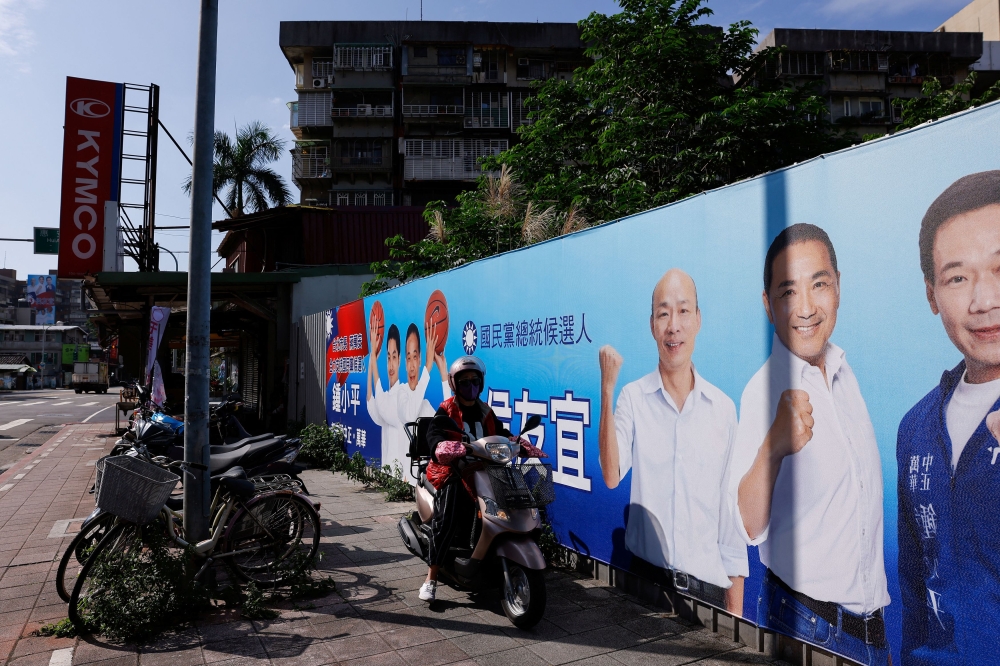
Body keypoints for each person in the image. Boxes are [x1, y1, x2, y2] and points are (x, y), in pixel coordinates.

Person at [729, 223, 890, 666]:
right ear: (768, 305)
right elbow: (745, 525)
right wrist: (773, 448)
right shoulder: (764, 391)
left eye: (819, 284)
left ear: (838, 287)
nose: (805, 308)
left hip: (870, 632)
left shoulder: (843, 372)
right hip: (806, 627)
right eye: (787, 292)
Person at [597, 268, 747, 614]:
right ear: (652, 325)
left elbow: (730, 519)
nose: (673, 325)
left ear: (698, 319)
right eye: (663, 313)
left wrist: (736, 619)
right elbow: (611, 473)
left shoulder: (722, 409)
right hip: (646, 584)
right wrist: (608, 389)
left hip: (708, 592)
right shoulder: (633, 397)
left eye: (682, 311)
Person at [898, 170, 1000, 665]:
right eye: (958, 277)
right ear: (932, 294)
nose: (984, 301)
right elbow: (917, 584)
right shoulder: (916, 426)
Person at [418, 356, 545, 602]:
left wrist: (519, 442)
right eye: (464, 381)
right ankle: (431, 578)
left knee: (517, 501)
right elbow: (434, 434)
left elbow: (501, 433)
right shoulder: (446, 410)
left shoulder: (486, 411)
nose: (470, 386)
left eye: (475, 380)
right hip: (454, 470)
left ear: (481, 382)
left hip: (486, 470)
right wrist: (442, 446)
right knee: (448, 516)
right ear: (454, 384)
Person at [367, 322, 403, 468]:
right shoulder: (387, 396)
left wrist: (374, 362)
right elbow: (372, 405)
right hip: (388, 469)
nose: (391, 364)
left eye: (394, 357)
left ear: (400, 359)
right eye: (388, 357)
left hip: (401, 471)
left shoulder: (403, 394)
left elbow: (382, 405)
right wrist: (371, 361)